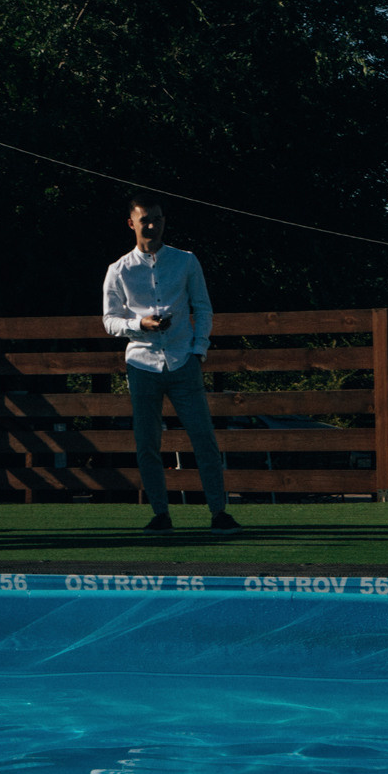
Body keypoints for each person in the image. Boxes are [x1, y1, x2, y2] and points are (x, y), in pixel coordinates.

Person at [101, 195, 237, 533]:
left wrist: (198, 350)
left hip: (182, 360)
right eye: (145, 219)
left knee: (203, 439)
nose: (152, 225)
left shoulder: (186, 261)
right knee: (147, 442)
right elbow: (109, 320)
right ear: (131, 223)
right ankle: (160, 513)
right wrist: (139, 325)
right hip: (142, 363)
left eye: (157, 219)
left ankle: (219, 512)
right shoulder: (118, 270)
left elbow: (203, 307)